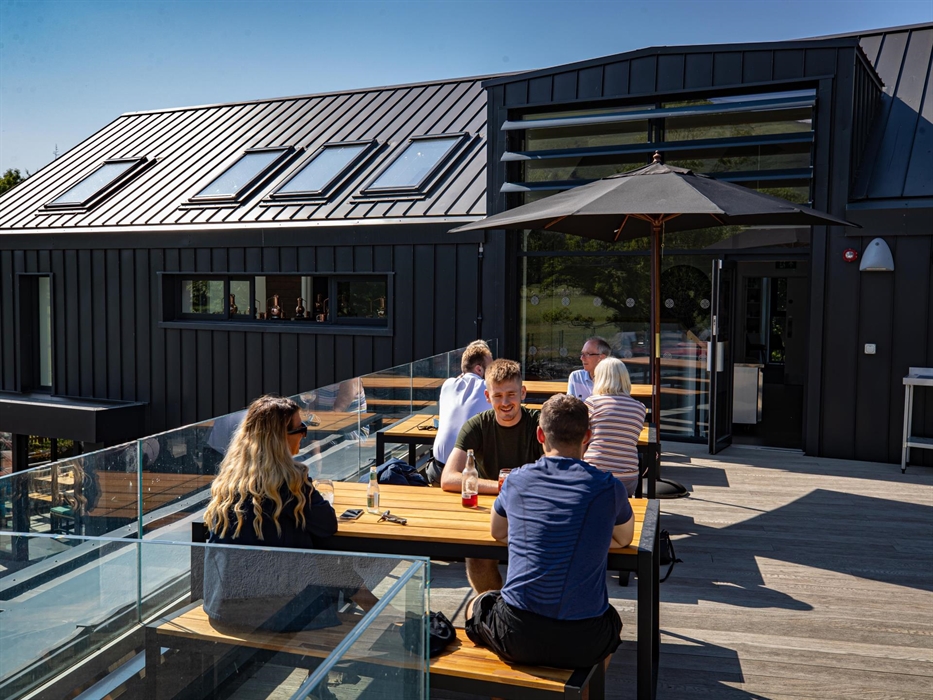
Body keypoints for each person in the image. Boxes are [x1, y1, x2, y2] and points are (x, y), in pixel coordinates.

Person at [465, 394, 634, 670]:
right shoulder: (608, 487)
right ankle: (588, 691)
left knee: (477, 605)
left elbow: (497, 532)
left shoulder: (516, 480)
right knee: (612, 621)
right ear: (587, 437)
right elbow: (624, 539)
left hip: (517, 634)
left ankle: (500, 682)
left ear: (540, 435)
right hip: (584, 639)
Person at [203, 394, 376, 631]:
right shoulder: (290, 482)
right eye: (300, 429)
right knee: (321, 547)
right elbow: (328, 525)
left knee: (304, 536)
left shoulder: (229, 480)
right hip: (270, 612)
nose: (305, 435)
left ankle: (375, 607)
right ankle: (377, 609)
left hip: (222, 608)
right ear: (278, 439)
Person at [440, 359, 542, 593]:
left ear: (523, 393)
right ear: (487, 396)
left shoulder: (538, 424)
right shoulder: (476, 425)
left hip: (532, 508)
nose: (505, 403)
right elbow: (448, 478)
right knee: (476, 558)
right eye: (498, 396)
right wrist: (505, 487)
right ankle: (494, 609)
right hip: (489, 510)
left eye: (511, 394)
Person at [427, 340, 494, 485]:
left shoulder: (447, 385)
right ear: (479, 369)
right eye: (490, 368)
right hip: (466, 477)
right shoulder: (488, 388)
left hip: (436, 471)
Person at [584, 358, 647, 496]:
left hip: (596, 475)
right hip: (628, 479)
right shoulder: (640, 408)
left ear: (599, 378)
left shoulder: (592, 403)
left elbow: (582, 440)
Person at [567, 336, 611, 401]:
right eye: (582, 354)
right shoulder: (576, 377)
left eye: (587, 354)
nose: (582, 358)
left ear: (602, 358)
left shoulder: (612, 380)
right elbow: (569, 406)